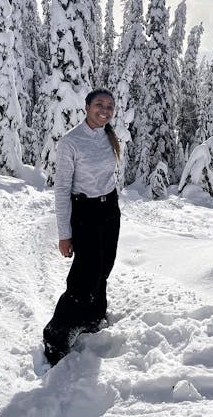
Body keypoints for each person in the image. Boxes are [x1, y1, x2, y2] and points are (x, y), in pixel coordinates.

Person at [43, 88, 122, 366]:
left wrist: (112, 202)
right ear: (87, 107)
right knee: (84, 275)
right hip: (85, 211)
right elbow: (62, 189)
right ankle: (57, 335)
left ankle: (93, 316)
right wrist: (65, 234)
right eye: (99, 104)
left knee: (104, 266)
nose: (105, 109)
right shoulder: (71, 142)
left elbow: (109, 175)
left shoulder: (109, 136)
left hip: (109, 208)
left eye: (110, 106)